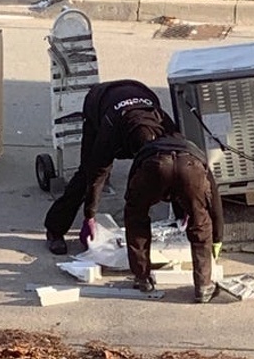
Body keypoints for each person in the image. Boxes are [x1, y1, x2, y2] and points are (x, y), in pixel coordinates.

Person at [44, 79, 176, 255]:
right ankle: (55, 230)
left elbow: (181, 166)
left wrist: (185, 213)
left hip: (139, 91)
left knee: (168, 169)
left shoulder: (164, 125)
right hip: (99, 101)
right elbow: (96, 176)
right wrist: (89, 216)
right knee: (85, 174)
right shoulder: (110, 133)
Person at [125, 131, 224, 303]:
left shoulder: (148, 148)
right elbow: (214, 203)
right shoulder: (194, 149)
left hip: (155, 165)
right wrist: (217, 238)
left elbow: (131, 193)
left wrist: (135, 205)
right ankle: (203, 286)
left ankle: (142, 278)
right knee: (200, 222)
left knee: (136, 218)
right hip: (190, 167)